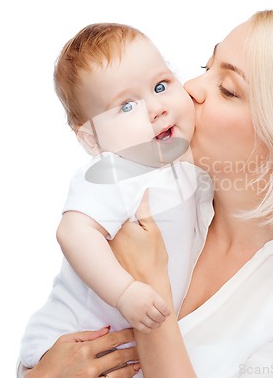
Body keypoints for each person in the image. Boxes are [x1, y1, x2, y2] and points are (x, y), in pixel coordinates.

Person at [18, 9, 273, 378]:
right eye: (206, 68)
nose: (190, 88)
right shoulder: (164, 189)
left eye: (227, 89)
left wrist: (150, 289)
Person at [18, 23, 214, 369]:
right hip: (72, 335)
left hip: (130, 349)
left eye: (161, 85)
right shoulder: (114, 171)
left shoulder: (182, 162)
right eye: (126, 106)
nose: (156, 108)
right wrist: (125, 293)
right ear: (92, 139)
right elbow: (73, 232)